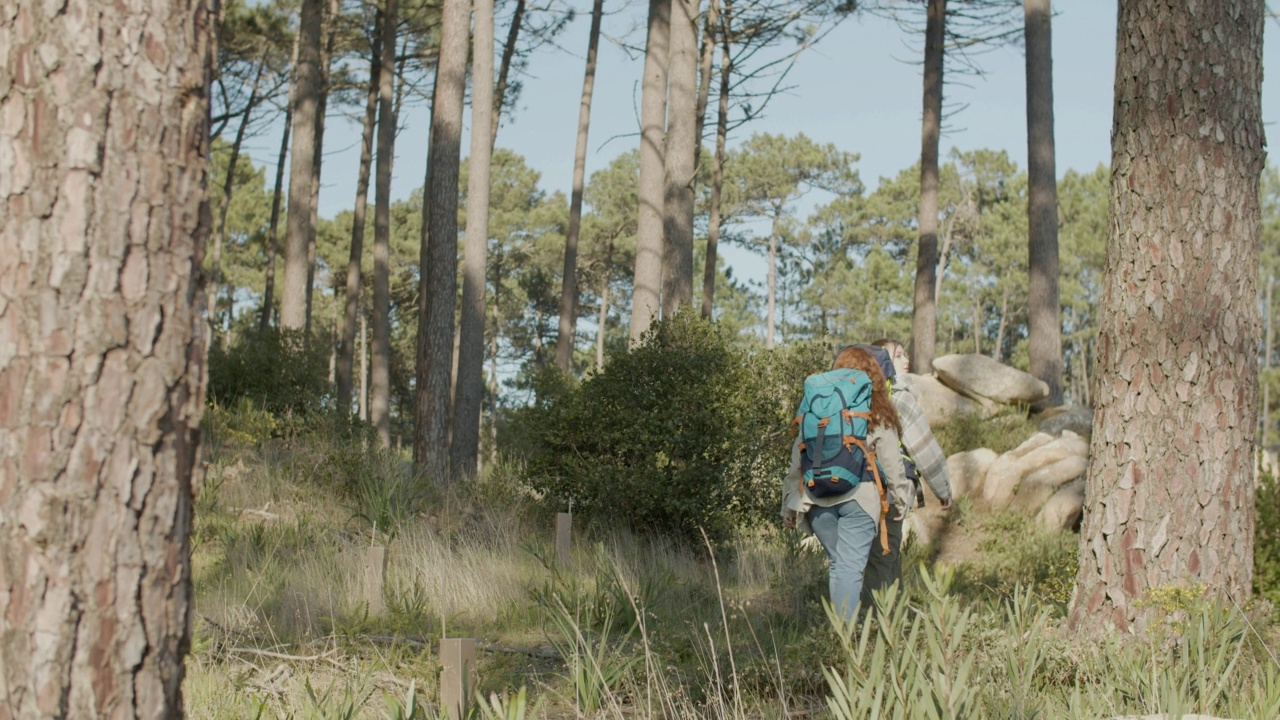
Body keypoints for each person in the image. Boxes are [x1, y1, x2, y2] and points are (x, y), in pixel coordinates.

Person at [781, 346, 913, 621]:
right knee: (851, 569)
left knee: (839, 566)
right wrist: (900, 501)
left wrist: (788, 506)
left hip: (816, 500)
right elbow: (892, 463)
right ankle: (848, 641)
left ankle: (841, 637)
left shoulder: (816, 407)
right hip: (859, 499)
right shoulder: (874, 409)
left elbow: (798, 456)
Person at [857, 338, 955, 613]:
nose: (906, 359)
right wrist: (943, 489)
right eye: (898, 355)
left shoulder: (857, 398)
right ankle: (869, 626)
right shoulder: (899, 397)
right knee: (883, 555)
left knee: (881, 554)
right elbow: (924, 448)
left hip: (857, 485)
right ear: (883, 363)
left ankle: (895, 615)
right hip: (890, 487)